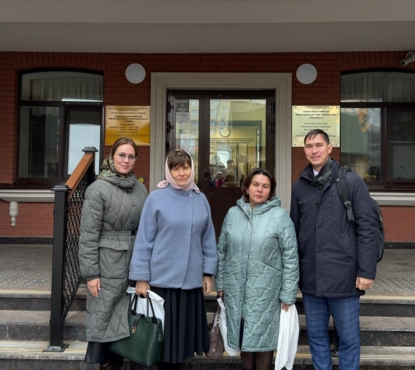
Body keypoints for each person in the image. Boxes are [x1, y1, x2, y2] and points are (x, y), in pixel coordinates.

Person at [290, 129, 378, 370]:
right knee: (316, 338)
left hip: (345, 278)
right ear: (304, 150)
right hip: (311, 278)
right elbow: (294, 232)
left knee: (348, 339)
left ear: (329, 148)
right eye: (309, 146)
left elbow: (367, 228)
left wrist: (366, 271)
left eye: (319, 145)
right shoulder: (298, 188)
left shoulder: (351, 182)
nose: (314, 150)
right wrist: (293, 275)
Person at [129, 149, 218, 370]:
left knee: (181, 344)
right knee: (162, 343)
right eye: (175, 168)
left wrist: (207, 273)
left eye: (185, 167)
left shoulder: (200, 199)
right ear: (168, 171)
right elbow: (144, 239)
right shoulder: (156, 198)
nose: (181, 173)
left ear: (192, 169)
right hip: (162, 283)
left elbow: (207, 238)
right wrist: (141, 277)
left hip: (190, 283)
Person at [216, 169, 299, 370]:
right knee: (243, 335)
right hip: (236, 288)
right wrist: (220, 283)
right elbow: (222, 251)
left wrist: (289, 292)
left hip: (266, 291)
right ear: (246, 187)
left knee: (263, 339)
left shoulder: (280, 216)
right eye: (255, 185)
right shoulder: (233, 214)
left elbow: (290, 257)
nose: (260, 189)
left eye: (265, 186)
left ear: (270, 191)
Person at [79, 137, 149, 370]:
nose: (126, 160)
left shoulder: (140, 188)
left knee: (127, 322)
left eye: (131, 156)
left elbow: (147, 228)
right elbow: (88, 234)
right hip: (107, 265)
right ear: (111, 157)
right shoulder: (97, 189)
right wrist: (91, 274)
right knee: (105, 318)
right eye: (122, 155)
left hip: (133, 263)